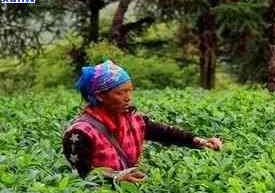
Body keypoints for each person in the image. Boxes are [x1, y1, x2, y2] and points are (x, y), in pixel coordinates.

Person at [62, 60, 222, 183]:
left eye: (130, 90)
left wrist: (202, 142)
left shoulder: (133, 119)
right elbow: (80, 174)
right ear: (99, 96)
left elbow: (167, 133)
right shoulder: (79, 133)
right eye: (120, 92)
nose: (128, 97)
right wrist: (116, 177)